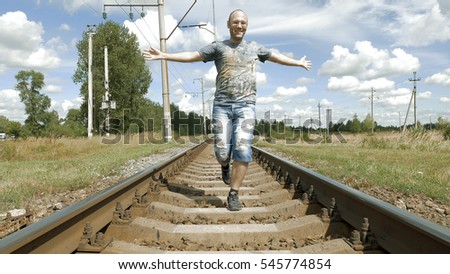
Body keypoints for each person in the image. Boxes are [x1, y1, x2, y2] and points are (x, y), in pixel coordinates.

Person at [143, 9, 312, 211]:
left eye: (243, 23)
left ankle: (234, 193)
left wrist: (298, 62)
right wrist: (164, 55)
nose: (240, 26)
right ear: (229, 24)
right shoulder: (218, 47)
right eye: (236, 22)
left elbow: (276, 57)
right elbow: (193, 55)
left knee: (242, 149)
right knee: (222, 152)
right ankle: (224, 166)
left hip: (246, 105)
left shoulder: (254, 48)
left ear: (246, 25)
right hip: (222, 106)